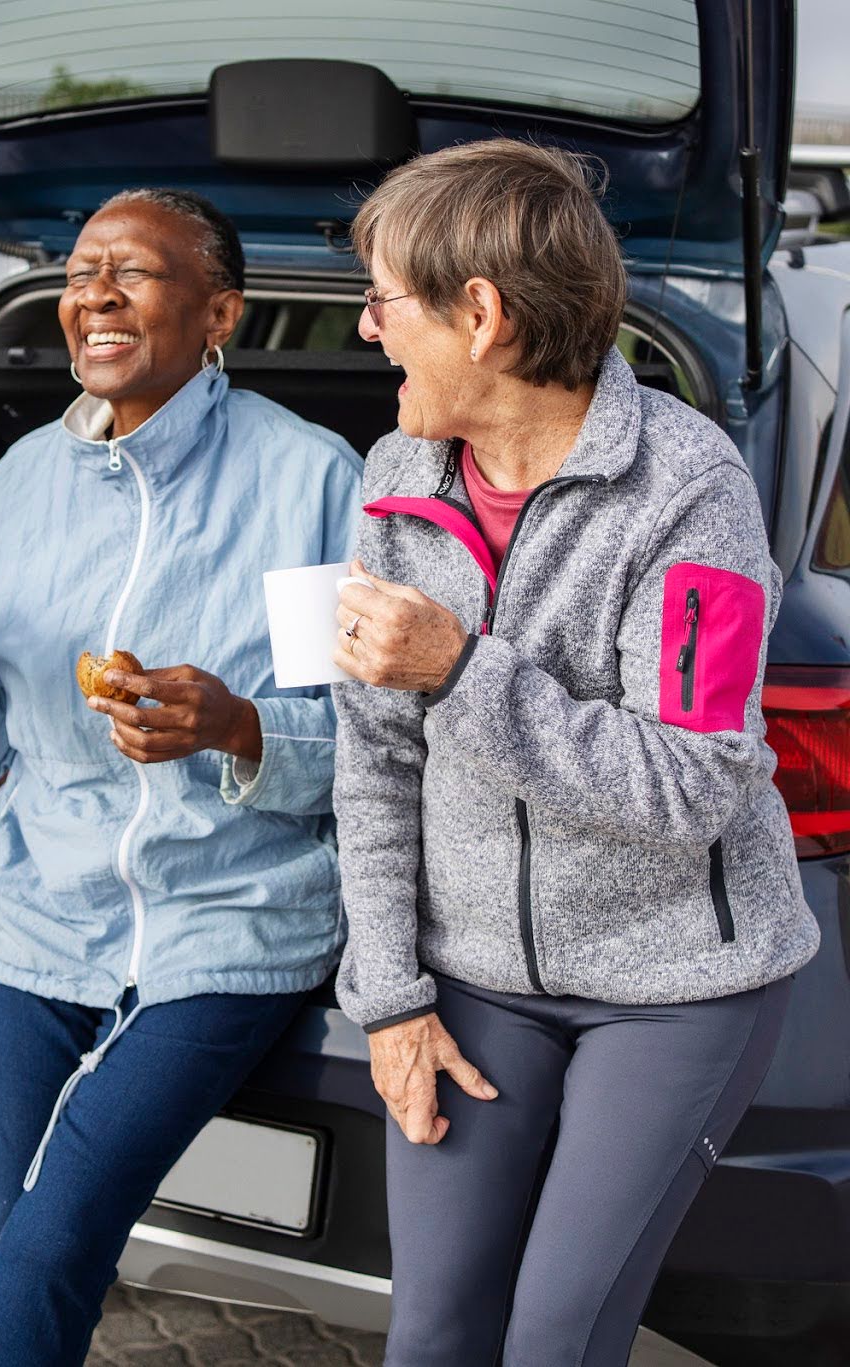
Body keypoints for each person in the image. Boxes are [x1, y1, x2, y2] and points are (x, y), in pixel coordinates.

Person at [0, 188, 361, 1364]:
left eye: (135, 271)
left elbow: (364, 752)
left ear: (219, 311)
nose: (96, 294)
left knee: (53, 1225)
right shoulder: (20, 482)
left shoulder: (310, 482)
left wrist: (235, 727)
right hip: (39, 911)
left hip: (229, 919)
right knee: (15, 1233)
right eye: (82, 272)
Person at [329, 138, 820, 1366]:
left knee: (556, 1335)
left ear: (480, 315)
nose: (366, 330)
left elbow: (692, 783)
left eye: (383, 300)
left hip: (676, 992)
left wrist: (461, 669)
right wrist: (390, 998)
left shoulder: (688, 492)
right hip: (473, 977)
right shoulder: (398, 476)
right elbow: (375, 760)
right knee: (433, 1329)